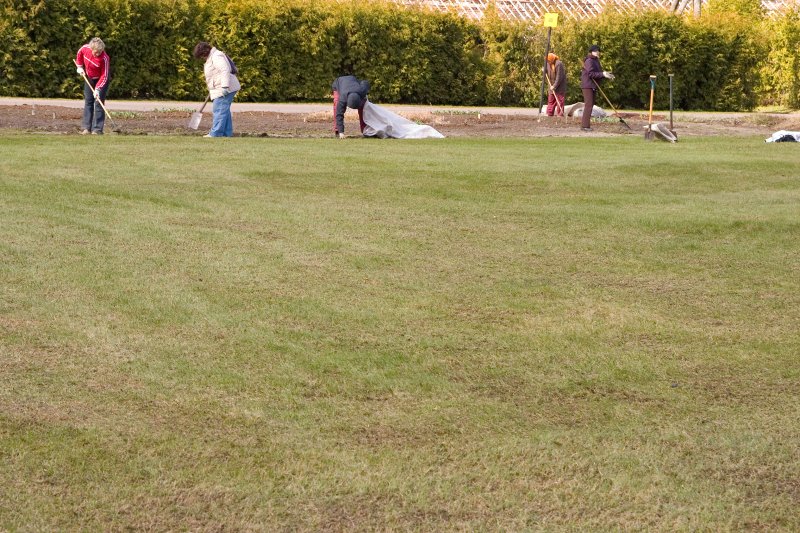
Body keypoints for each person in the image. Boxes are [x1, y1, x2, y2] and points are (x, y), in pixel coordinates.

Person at [192, 42, 241, 137]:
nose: (202, 58)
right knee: (224, 110)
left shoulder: (216, 56)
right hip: (220, 88)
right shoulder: (213, 56)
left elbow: (224, 70)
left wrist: (225, 87)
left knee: (219, 110)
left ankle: (216, 133)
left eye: (202, 56)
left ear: (204, 52)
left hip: (225, 88)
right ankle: (226, 133)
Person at [75, 38, 110, 135]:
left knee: (98, 102)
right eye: (96, 52)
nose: (98, 54)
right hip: (89, 78)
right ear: (91, 49)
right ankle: (86, 128)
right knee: (88, 101)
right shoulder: (85, 49)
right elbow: (79, 54)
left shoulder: (104, 58)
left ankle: (97, 129)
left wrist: (98, 89)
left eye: (100, 52)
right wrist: (79, 66)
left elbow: (105, 76)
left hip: (101, 80)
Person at [579, 44, 614, 131]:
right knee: (589, 105)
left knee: (590, 105)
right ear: (591, 52)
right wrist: (602, 74)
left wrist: (605, 75)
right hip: (588, 85)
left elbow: (597, 73)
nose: (597, 52)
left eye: (598, 51)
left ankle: (585, 125)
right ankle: (585, 126)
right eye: (595, 51)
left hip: (592, 85)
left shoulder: (596, 60)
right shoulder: (589, 61)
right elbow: (591, 74)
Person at [544, 53, 566, 117]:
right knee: (551, 100)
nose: (548, 62)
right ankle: (549, 113)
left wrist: (554, 86)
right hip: (551, 85)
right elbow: (547, 73)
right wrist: (544, 71)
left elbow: (559, 77)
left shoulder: (559, 64)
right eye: (547, 61)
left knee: (560, 101)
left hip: (559, 86)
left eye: (548, 60)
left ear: (552, 59)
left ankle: (560, 114)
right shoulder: (547, 64)